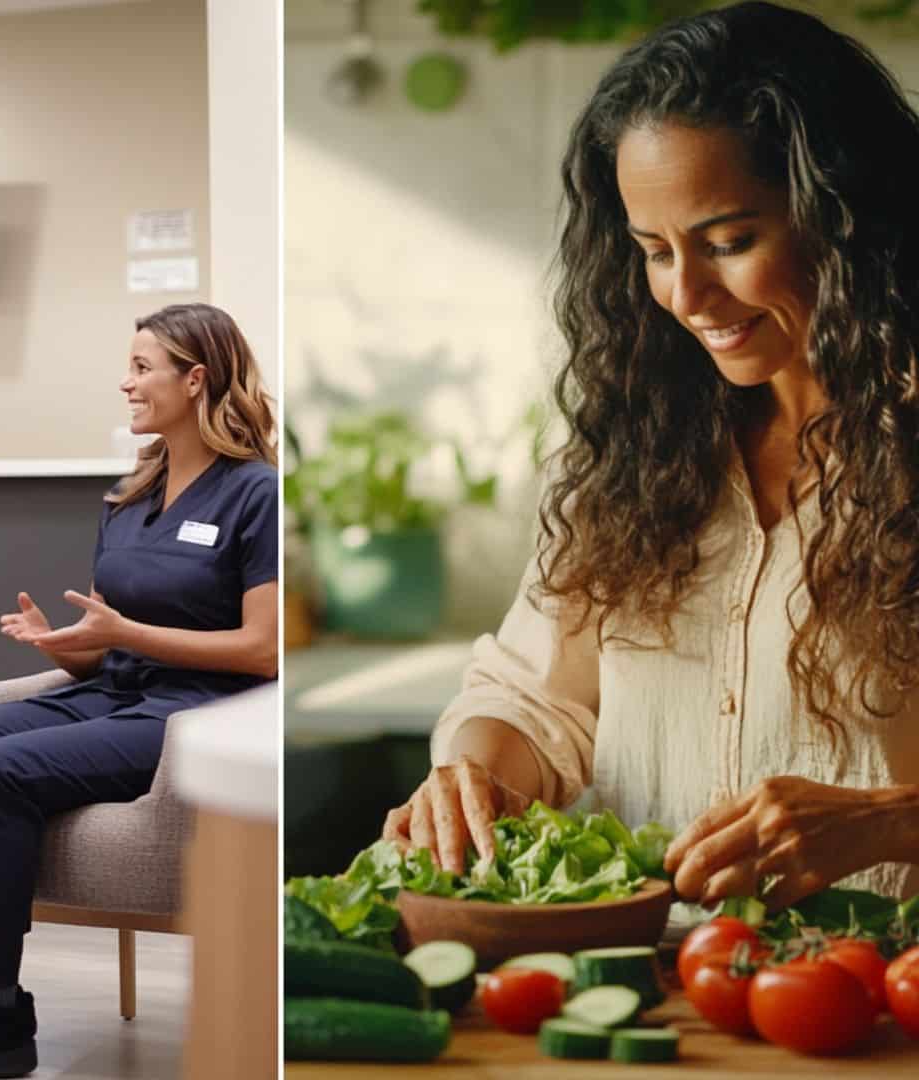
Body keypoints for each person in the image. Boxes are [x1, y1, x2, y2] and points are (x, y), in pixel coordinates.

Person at [383, 1, 919, 912]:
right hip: (655, 989)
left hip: (876, 1006)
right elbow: (538, 699)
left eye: (728, 242)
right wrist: (472, 776)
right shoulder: (635, 448)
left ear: (846, 218)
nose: (688, 293)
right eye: (653, 251)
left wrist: (889, 820)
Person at [0, 303, 278, 1080]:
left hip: (195, 710)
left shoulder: (255, 493)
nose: (124, 382)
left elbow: (263, 650)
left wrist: (125, 636)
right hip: (116, 691)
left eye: (142, 367)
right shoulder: (130, 498)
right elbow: (106, 637)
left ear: (195, 379)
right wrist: (65, 647)